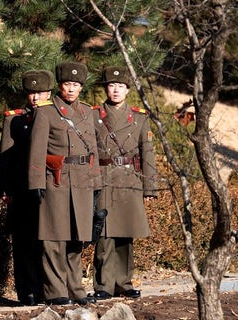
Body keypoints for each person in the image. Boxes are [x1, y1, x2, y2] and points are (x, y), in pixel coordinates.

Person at [28, 61, 101, 306]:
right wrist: (36, 181)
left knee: (77, 240)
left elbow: (94, 152)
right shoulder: (46, 111)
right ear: (60, 85)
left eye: (76, 85)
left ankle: (76, 288)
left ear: (81, 87)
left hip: (81, 181)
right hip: (55, 181)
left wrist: (97, 183)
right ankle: (54, 291)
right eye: (67, 84)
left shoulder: (87, 112)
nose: (71, 89)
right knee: (53, 239)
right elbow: (36, 150)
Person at [90, 66, 157, 300]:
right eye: (111, 85)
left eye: (120, 86)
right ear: (106, 88)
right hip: (104, 178)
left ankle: (124, 283)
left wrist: (150, 187)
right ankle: (103, 285)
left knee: (126, 235)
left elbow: (147, 153)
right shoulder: (93, 115)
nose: (115, 90)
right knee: (104, 234)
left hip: (130, 180)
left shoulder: (139, 118)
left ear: (127, 90)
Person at [0, 69, 54, 306]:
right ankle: (27, 291)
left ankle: (47, 290)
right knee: (23, 242)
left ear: (49, 92)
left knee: (47, 242)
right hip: (21, 191)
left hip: (49, 189)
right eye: (31, 93)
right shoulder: (15, 118)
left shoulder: (57, 115)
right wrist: (4, 189)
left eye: (40, 92)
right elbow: (5, 158)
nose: (35, 97)